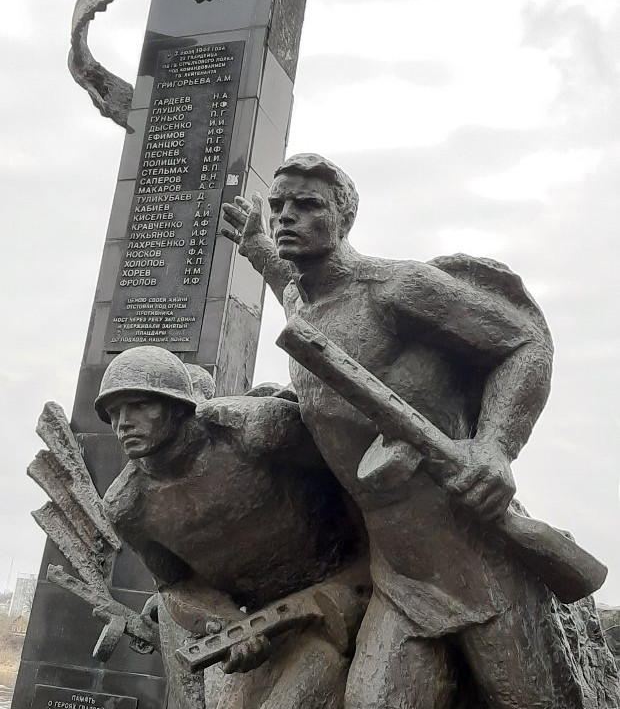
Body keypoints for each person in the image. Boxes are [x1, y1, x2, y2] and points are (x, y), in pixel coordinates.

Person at [222, 153, 620, 709]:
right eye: (278, 206)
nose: (286, 216)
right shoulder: (299, 302)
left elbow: (523, 340)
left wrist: (495, 447)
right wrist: (257, 248)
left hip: (482, 559)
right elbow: (295, 283)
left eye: (308, 205)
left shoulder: (396, 289)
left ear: (343, 218)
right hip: (400, 575)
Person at [95, 345, 369, 709]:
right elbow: (176, 585)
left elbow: (350, 466)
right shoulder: (127, 505)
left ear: (179, 404)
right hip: (268, 618)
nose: (124, 423)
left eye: (141, 406)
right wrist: (223, 622)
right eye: (114, 413)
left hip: (357, 577)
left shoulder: (252, 429)